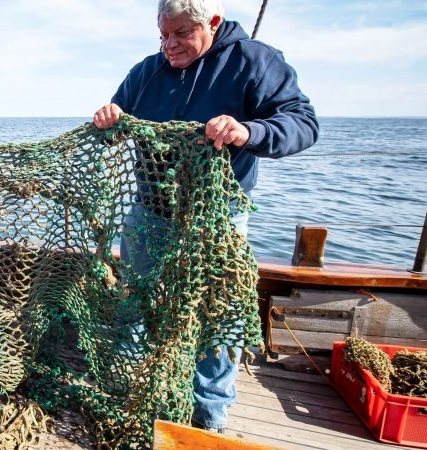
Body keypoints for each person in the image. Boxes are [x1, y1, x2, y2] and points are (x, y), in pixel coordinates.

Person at [92, 0, 318, 433]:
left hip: (217, 216)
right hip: (151, 210)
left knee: (220, 315)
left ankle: (209, 414)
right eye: (162, 34)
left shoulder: (254, 61)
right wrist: (110, 117)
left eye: (180, 34)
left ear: (212, 22)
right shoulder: (147, 70)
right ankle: (126, 390)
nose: (169, 45)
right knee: (135, 303)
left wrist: (250, 131)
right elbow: (115, 119)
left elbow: (303, 123)